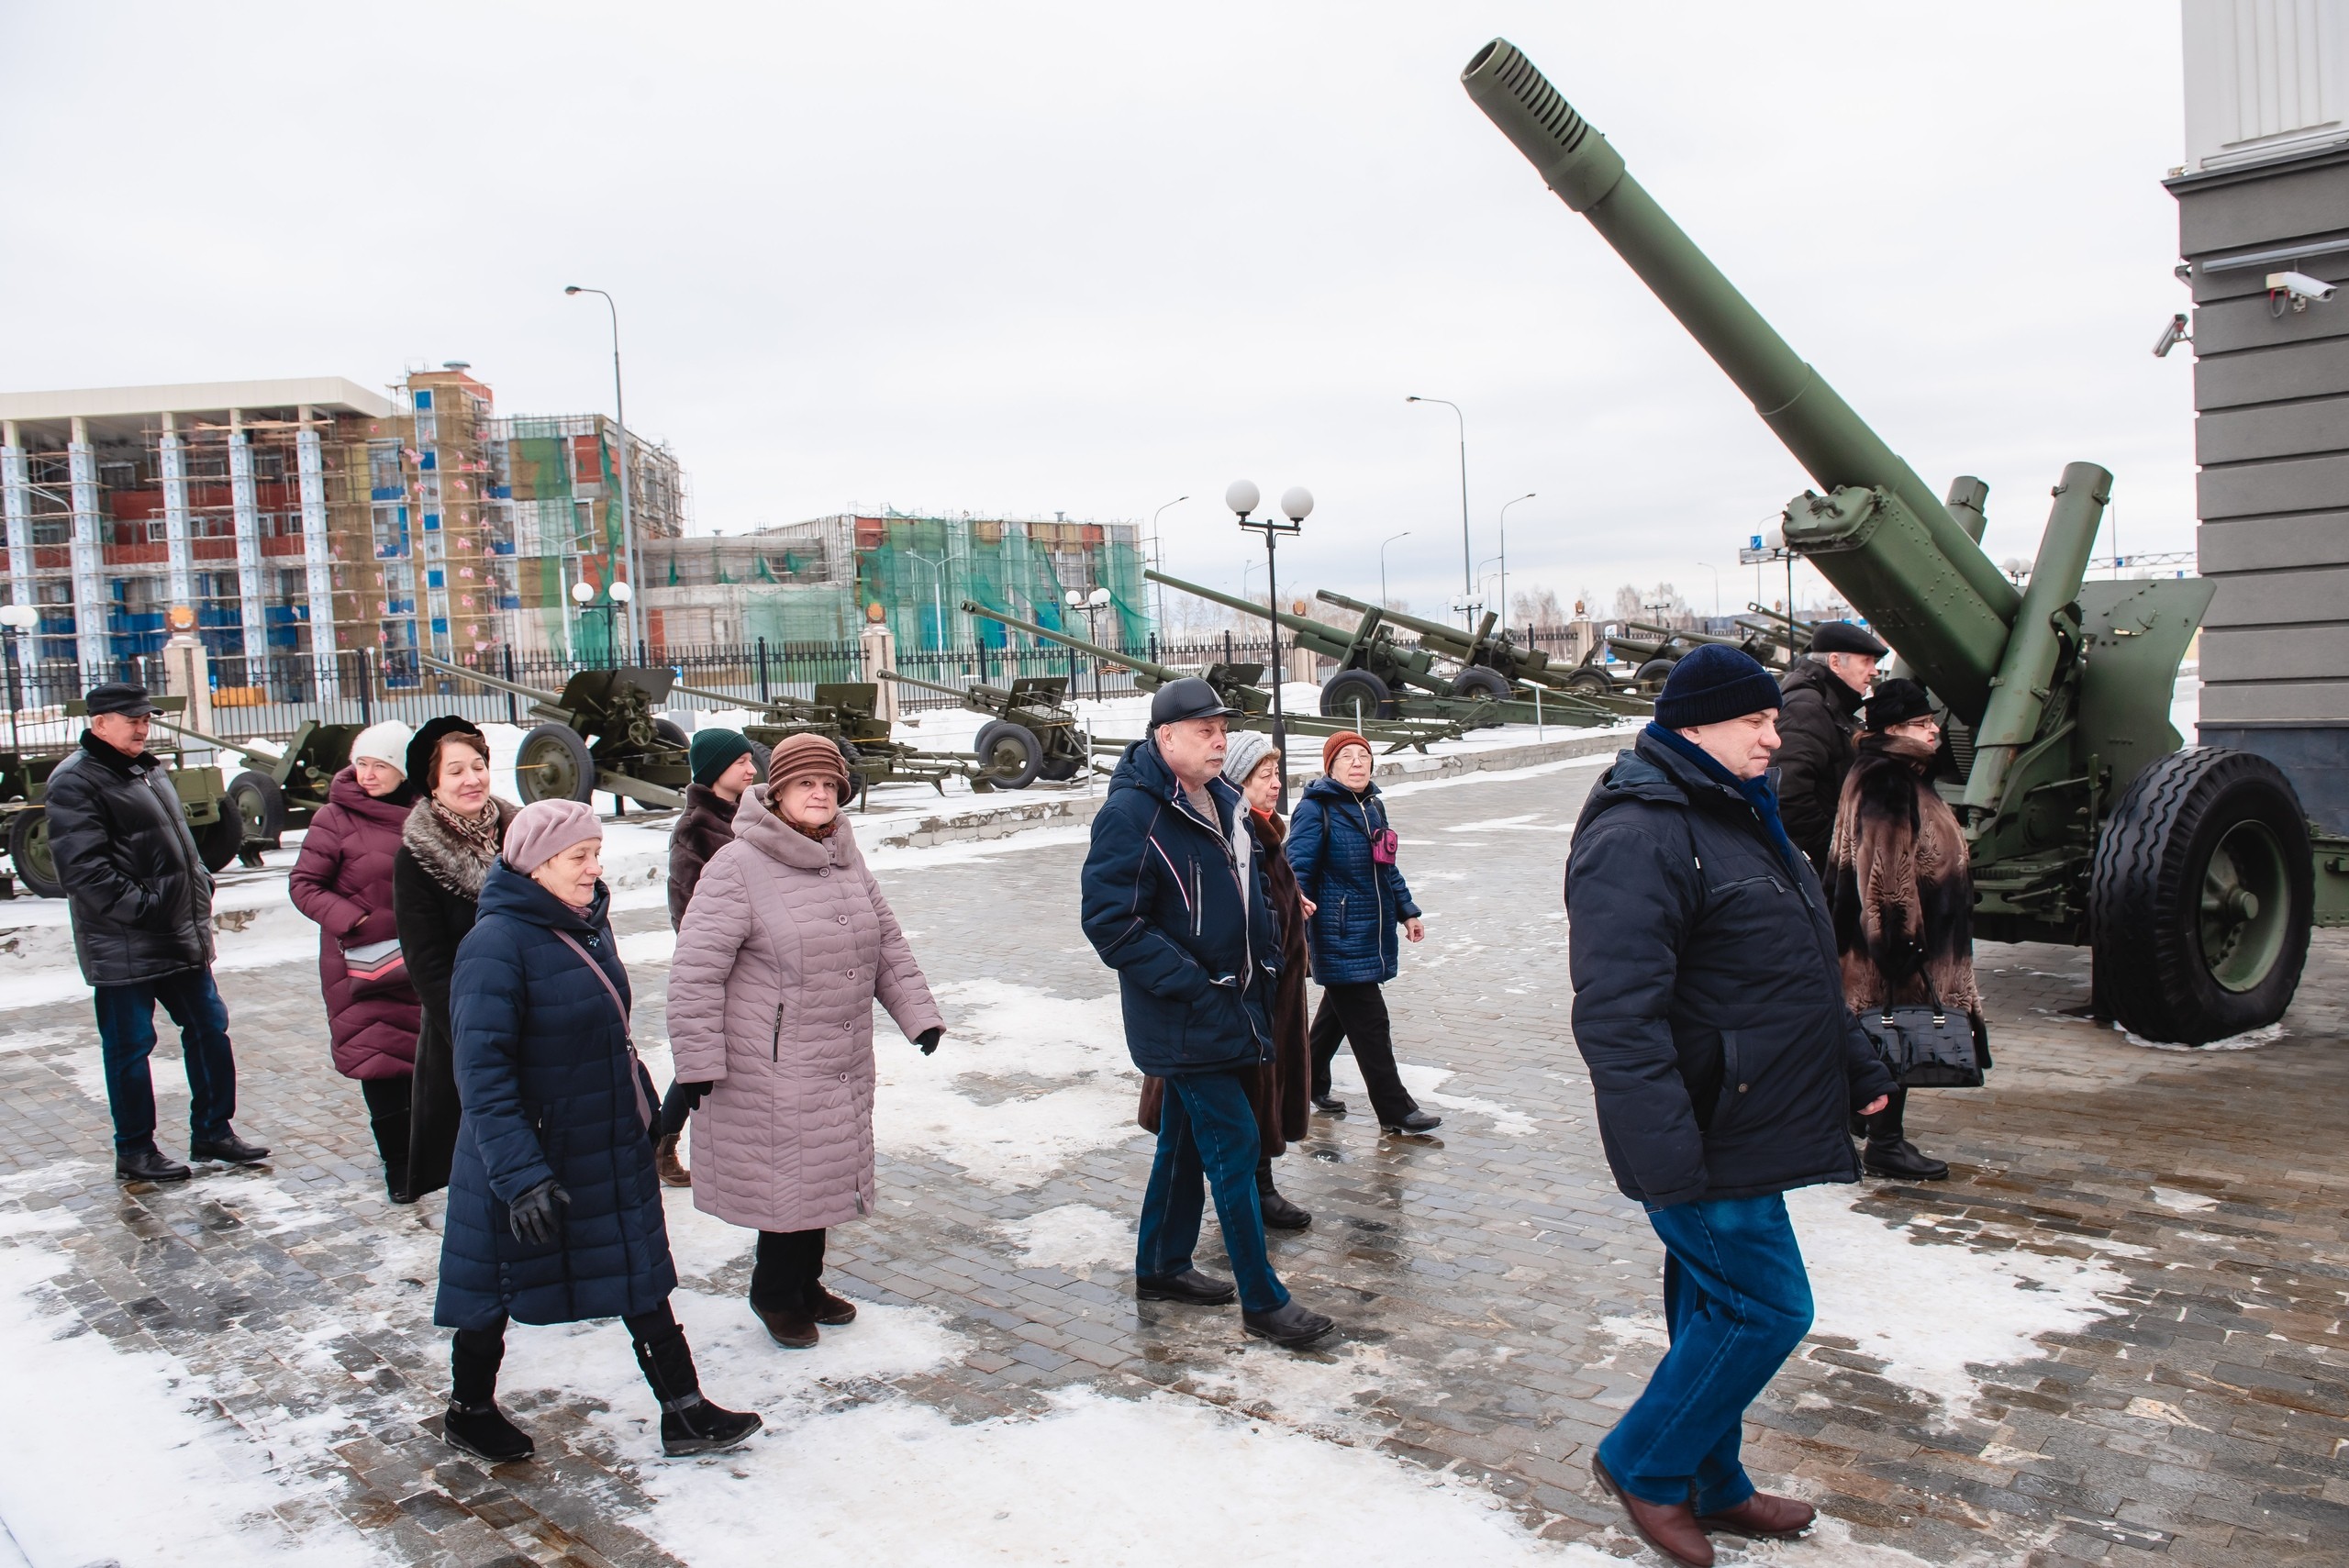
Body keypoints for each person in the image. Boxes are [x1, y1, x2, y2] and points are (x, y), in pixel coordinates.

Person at [1564, 644, 1896, 1567]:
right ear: (1694, 724)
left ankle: (1714, 1481)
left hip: (1751, 1114)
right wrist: (1664, 1156)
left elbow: (1795, 963)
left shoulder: (1737, 813)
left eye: (1772, 718)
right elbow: (1617, 1014)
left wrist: (1854, 1058)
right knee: (1766, 1307)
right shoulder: (1639, 832)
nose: (1773, 732)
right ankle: (1643, 1459)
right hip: (1700, 1131)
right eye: (1755, 719)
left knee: (1713, 1308)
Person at [435, 798, 760, 1462]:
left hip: (604, 1136)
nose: (595, 867)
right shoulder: (495, 945)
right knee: (492, 1284)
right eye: (579, 856)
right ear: (537, 864)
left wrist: (645, 1110)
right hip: (529, 1151)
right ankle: (468, 1407)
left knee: (638, 1272)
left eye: (595, 852)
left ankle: (685, 1411)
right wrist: (521, 1175)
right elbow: (482, 1075)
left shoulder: (582, 924)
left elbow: (608, 1036)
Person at [665, 733, 945, 1348]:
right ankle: (773, 1293)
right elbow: (695, 970)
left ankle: (807, 1283)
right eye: (804, 784)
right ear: (779, 791)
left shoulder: (844, 854)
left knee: (824, 1172)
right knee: (786, 1179)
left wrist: (917, 1014)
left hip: (837, 1052)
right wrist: (698, 1060)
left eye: (829, 784)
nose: (819, 793)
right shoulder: (737, 865)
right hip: (769, 1059)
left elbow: (886, 942)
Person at [1080, 676, 1333, 1351]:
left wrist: (1267, 963)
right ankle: (1263, 1298)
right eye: (1204, 730)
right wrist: (1193, 983)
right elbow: (1110, 921)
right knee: (1235, 1143)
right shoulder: (1132, 814)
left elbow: (1248, 893)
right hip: (1185, 1014)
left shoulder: (1225, 801)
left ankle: (1160, 1264)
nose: (1220, 740)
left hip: (1236, 1002)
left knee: (1184, 1141)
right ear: (1165, 738)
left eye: (1223, 729)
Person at [44, 682, 271, 1183]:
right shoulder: (76, 781)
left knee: (209, 1028)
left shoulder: (146, 770)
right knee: (130, 1047)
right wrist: (148, 909)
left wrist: (197, 885)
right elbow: (83, 872)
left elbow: (178, 847)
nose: (144, 728)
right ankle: (134, 1151)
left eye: (147, 719)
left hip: (176, 933)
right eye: (133, 720)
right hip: (126, 942)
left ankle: (213, 1130)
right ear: (99, 723)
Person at [1137, 729, 1313, 1230]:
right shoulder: (1234, 830)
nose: (1276, 784)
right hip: (1232, 992)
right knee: (1232, 1102)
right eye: (1264, 775)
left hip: (1270, 984)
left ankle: (1175, 1248)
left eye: (1277, 773)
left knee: (1246, 1096)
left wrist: (1290, 906)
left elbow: (1264, 897)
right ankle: (1250, 1202)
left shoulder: (1262, 827)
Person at [1828, 677, 1987, 1184]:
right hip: (1897, 945)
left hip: (1892, 940)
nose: (1933, 730)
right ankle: (1886, 1145)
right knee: (1896, 1038)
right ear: (1894, 729)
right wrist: (1903, 947)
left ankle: (1865, 1126)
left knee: (1885, 1038)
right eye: (1921, 723)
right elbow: (1887, 874)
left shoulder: (1893, 772)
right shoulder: (1889, 780)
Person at [288, 720, 422, 1201]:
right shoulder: (334, 818)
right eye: (361, 762)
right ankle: (400, 1168)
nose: (367, 774)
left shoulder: (425, 813)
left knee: (425, 1062)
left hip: (422, 959)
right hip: (363, 964)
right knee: (381, 1063)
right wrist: (355, 920)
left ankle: (432, 1154)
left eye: (380, 765)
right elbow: (304, 884)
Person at [1286, 731, 1440, 1137]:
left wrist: (1407, 912)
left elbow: (1386, 867)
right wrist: (1295, 923)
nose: (1357, 763)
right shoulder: (1315, 810)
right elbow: (1296, 871)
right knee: (1372, 1023)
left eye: (1364, 756)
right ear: (1330, 766)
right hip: (1336, 933)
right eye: (1347, 757)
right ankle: (1395, 1109)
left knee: (1337, 1016)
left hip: (1369, 932)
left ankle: (1306, 1080)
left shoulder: (1372, 806)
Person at [394, 717, 516, 1201]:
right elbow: (426, 963)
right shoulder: (416, 858)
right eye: (456, 771)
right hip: (465, 1023)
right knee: (476, 1156)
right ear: (433, 784)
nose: (472, 780)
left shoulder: (522, 832)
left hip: (537, 1005)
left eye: (479, 766)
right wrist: (470, 1033)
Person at [653, 726, 762, 1186]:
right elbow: (689, 914)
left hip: (762, 964)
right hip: (725, 970)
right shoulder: (696, 830)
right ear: (717, 770)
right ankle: (661, 1141)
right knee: (704, 1060)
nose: (752, 768)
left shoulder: (754, 817)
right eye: (741, 762)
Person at [1773, 620, 1888, 877]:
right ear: (1835, 663)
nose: (1874, 671)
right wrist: (1835, 853)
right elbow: (1788, 795)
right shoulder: (1806, 708)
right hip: (1822, 866)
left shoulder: (1827, 704)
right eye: (1867, 661)